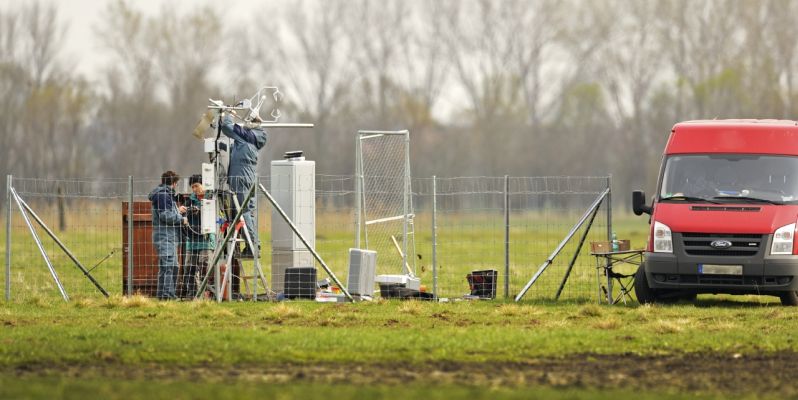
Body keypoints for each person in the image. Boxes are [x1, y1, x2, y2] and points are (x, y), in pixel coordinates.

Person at [220, 113, 267, 257]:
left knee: (242, 211)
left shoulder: (247, 135)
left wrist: (228, 115)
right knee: (247, 211)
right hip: (247, 177)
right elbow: (234, 145)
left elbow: (227, 127)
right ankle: (251, 246)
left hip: (240, 177)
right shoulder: (251, 139)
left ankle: (253, 246)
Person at [148, 170, 187, 300]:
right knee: (170, 266)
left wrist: (177, 210)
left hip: (168, 236)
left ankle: (163, 295)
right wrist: (181, 219)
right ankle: (168, 296)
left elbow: (167, 212)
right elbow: (165, 215)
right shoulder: (163, 195)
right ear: (174, 183)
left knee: (168, 267)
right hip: (165, 236)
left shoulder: (164, 195)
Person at [180, 174, 216, 298]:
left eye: (196, 186)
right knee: (189, 267)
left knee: (204, 266)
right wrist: (182, 211)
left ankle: (205, 292)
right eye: (192, 187)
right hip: (192, 239)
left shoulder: (211, 198)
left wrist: (201, 211)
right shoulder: (189, 200)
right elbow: (183, 217)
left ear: (203, 184)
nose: (195, 189)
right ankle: (192, 293)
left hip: (206, 239)